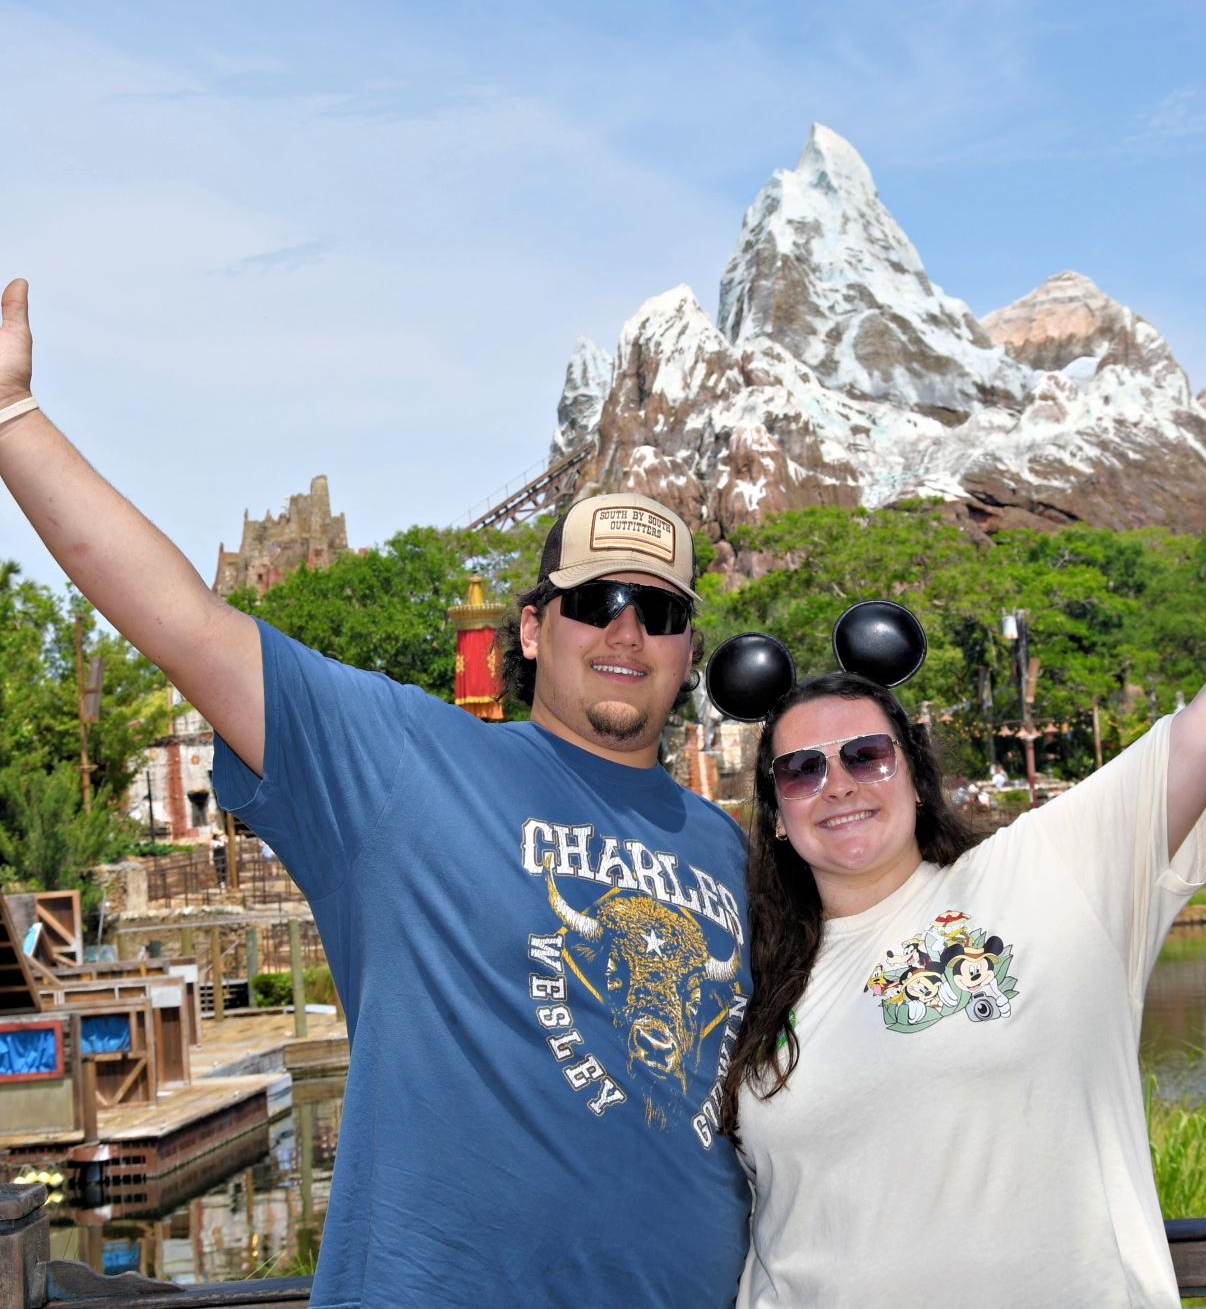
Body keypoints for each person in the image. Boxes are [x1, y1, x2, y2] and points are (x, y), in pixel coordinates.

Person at [0, 280, 751, 1306]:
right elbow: (184, 622)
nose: (626, 630)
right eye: (596, 600)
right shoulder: (408, 765)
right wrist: (14, 418)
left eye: (658, 612)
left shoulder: (729, 846)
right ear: (533, 629)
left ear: (687, 648)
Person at [713, 584, 1206, 1307]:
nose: (838, 785)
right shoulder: (760, 976)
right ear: (778, 814)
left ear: (916, 777)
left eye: (867, 755)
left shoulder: (1047, 874)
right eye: (802, 769)